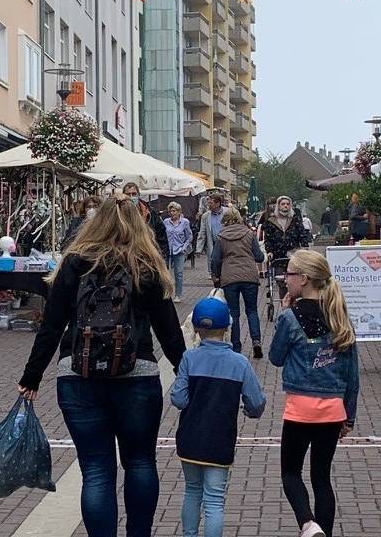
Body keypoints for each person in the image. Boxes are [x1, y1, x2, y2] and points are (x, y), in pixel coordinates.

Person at [18, 194, 188, 537]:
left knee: (96, 470)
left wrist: (32, 376)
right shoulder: (146, 265)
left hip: (77, 375)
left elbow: (51, 325)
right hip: (137, 374)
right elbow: (168, 330)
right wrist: (185, 370)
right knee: (140, 462)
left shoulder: (75, 262)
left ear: (94, 223)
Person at [269, 249, 360, 537]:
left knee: (290, 473)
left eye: (291, 273)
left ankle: (308, 524)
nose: (286, 277)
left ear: (305, 279)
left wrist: (284, 312)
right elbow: (351, 375)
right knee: (321, 477)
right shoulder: (338, 316)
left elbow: (275, 357)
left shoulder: (290, 317)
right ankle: (325, 532)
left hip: (300, 408)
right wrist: (350, 417)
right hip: (333, 410)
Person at [170, 293, 266, 537]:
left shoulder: (189, 358)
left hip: (190, 437)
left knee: (192, 490)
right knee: (214, 499)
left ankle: (189, 534)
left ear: (196, 328)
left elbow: (179, 399)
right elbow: (256, 403)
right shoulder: (239, 363)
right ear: (227, 327)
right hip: (220, 439)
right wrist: (250, 411)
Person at [210, 209, 265, 359]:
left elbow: (215, 260)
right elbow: (259, 257)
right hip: (249, 276)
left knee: (233, 313)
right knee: (252, 311)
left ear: (224, 221)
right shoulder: (249, 233)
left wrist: (215, 276)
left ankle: (236, 346)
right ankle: (256, 341)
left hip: (229, 278)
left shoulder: (221, 237)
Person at [262, 195, 312, 272]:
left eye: (288, 204)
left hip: (293, 253)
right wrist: (269, 251)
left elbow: (302, 233)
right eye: (283, 204)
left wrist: (305, 246)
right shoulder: (271, 221)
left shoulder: (295, 219)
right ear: (278, 206)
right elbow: (268, 239)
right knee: (278, 278)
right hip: (277, 255)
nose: (285, 205)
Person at [123, 182, 170, 258]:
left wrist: (163, 260)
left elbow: (162, 237)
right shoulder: (119, 214)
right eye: (128, 194)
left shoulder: (150, 212)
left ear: (138, 195)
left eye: (134, 194)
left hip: (150, 257)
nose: (131, 197)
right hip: (128, 258)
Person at [163, 202, 194, 302]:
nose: (172, 213)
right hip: (168, 251)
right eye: (170, 211)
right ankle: (167, 293)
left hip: (179, 250)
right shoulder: (166, 221)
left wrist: (183, 248)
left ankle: (178, 295)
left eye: (174, 211)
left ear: (179, 211)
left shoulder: (185, 222)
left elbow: (189, 237)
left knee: (178, 273)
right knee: (166, 273)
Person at [197, 194, 229, 279]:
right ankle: (214, 275)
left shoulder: (228, 212)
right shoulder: (205, 216)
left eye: (211, 203)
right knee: (213, 260)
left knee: (225, 260)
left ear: (218, 203)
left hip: (225, 242)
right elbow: (202, 232)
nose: (208, 205)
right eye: (208, 202)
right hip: (213, 243)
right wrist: (198, 249)